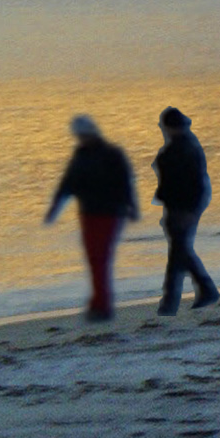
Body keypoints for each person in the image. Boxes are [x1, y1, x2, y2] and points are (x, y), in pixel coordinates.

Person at [43, 115, 140, 322]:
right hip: (87, 213)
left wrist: (132, 207)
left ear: (93, 133)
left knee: (101, 258)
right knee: (94, 260)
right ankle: (98, 303)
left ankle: (102, 306)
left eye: (84, 135)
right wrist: (54, 208)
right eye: (79, 136)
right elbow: (67, 183)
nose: (82, 139)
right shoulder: (79, 155)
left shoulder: (112, 154)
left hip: (110, 213)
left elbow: (125, 181)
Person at [151, 106, 220, 316]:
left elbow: (195, 183)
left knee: (178, 252)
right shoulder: (181, 145)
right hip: (178, 207)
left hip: (184, 207)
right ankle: (200, 292)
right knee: (180, 251)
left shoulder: (185, 147)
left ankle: (172, 303)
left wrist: (189, 212)